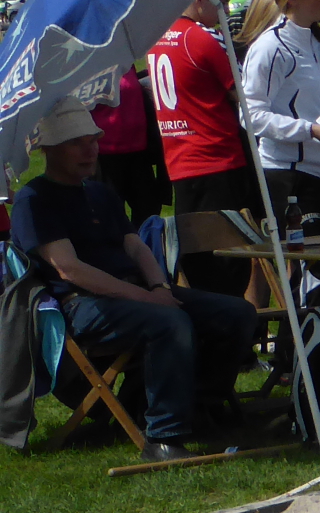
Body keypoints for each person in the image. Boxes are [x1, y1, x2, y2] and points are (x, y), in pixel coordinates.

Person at [10, 106, 259, 460]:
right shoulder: (34, 200)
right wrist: (147, 297)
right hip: (81, 305)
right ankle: (163, 437)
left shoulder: (99, 193)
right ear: (48, 150)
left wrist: (159, 288)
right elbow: (70, 270)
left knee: (237, 313)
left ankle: (199, 406)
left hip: (135, 292)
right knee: (169, 322)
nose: (90, 150)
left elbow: (136, 247)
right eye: (76, 143)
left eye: (94, 140)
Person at [146, 0, 268, 305]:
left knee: (196, 255)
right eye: (222, 3)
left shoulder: (158, 39)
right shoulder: (202, 38)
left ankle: (210, 318)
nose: (225, 12)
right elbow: (243, 94)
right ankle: (229, 325)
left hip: (179, 159)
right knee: (229, 259)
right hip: (217, 159)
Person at [238, 0, 320, 242]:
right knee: (311, 266)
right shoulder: (270, 47)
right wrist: (310, 130)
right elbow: (250, 116)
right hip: (293, 176)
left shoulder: (316, 41)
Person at [92, 63, 168, 223]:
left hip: (138, 150)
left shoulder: (126, 62)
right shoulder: (90, 65)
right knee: (110, 217)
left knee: (149, 209)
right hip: (106, 154)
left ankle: (140, 240)